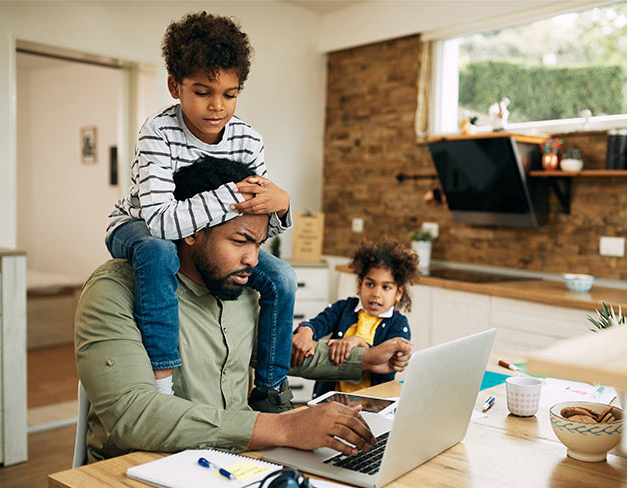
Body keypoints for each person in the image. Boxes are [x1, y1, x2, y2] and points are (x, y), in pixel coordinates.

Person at [75, 158, 413, 463]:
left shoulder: (242, 286)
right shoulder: (115, 290)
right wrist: (284, 427)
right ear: (191, 230)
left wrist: (365, 361)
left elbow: (274, 352)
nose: (253, 259)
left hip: (238, 464)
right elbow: (133, 416)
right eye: (239, 241)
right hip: (142, 469)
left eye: (259, 244)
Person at [105, 12, 296, 411]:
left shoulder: (248, 139)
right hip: (137, 223)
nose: (217, 106)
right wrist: (231, 194)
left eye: (229, 93)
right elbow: (160, 220)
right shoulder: (157, 132)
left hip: (198, 236)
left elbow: (251, 224)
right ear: (175, 86)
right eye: (203, 91)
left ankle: (271, 387)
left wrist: (281, 204)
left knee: (281, 275)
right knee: (159, 252)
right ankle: (162, 381)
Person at [291, 238, 419, 398]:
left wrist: (359, 343)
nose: (376, 293)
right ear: (360, 285)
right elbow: (317, 324)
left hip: (371, 406)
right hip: (331, 400)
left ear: (398, 293)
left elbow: (387, 361)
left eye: (386, 287)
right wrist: (306, 330)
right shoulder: (343, 308)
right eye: (370, 284)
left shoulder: (399, 324)